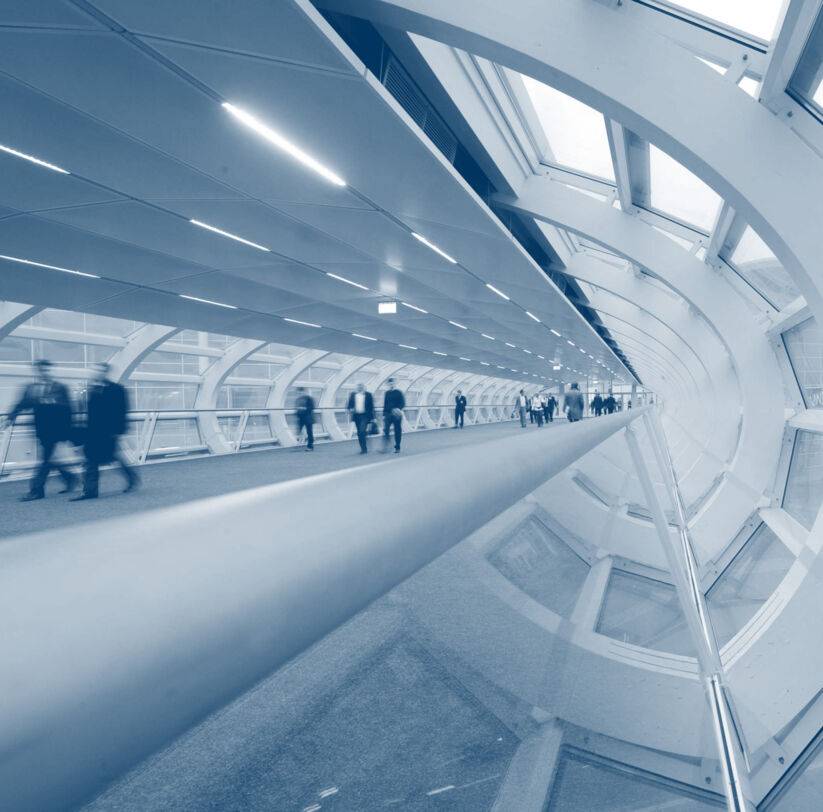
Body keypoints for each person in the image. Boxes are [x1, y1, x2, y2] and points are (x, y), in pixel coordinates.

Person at [4, 359, 77, 501]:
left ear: (50, 370)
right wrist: (10, 418)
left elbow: (69, 408)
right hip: (41, 429)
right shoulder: (31, 388)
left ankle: (36, 490)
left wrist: (54, 405)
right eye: (41, 370)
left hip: (57, 428)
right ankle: (70, 478)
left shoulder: (61, 388)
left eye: (46, 370)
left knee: (44, 459)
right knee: (48, 458)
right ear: (37, 371)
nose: (44, 372)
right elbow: (21, 404)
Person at [72, 362, 138, 500]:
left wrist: (119, 431)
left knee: (113, 457)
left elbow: (122, 411)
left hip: (109, 431)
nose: (97, 373)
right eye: (95, 371)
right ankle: (90, 491)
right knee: (91, 459)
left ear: (106, 373)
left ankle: (131, 477)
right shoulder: (89, 389)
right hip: (92, 431)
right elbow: (85, 410)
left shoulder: (117, 389)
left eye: (100, 371)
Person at [347, 382, 374, 454]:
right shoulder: (353, 395)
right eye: (358, 386)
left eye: (361, 386)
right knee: (359, 432)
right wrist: (350, 409)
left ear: (364, 387)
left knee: (362, 431)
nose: (360, 387)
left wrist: (373, 418)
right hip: (356, 416)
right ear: (357, 387)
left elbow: (371, 407)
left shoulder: (368, 395)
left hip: (365, 416)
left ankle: (364, 449)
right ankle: (363, 448)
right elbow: (349, 405)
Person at [381, 378, 405, 453]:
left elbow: (403, 403)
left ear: (395, 383)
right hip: (388, 414)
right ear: (388, 384)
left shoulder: (399, 392)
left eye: (392, 383)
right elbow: (385, 404)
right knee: (386, 430)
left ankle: (397, 447)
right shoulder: (387, 393)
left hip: (397, 414)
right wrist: (384, 414)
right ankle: (386, 446)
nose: (391, 384)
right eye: (389, 383)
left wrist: (398, 409)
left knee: (397, 430)